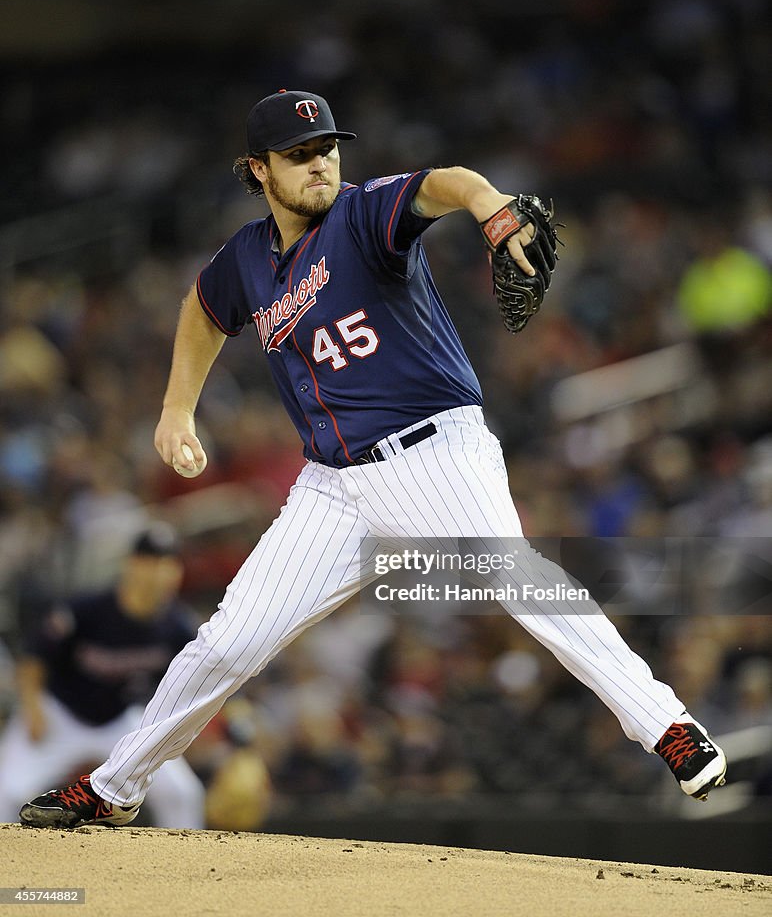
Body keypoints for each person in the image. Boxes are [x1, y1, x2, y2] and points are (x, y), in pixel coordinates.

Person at [20, 89, 726, 829]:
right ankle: (114, 787)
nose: (319, 163)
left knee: (520, 578)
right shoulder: (247, 261)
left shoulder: (362, 215)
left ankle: (668, 726)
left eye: (326, 147)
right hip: (332, 487)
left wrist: (487, 203)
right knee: (229, 641)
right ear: (258, 170)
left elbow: (436, 184)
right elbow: (203, 309)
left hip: (432, 453)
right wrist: (176, 408)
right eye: (298, 155)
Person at [5, 524, 205, 828]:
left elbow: (202, 685)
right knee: (8, 792)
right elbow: (34, 659)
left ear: (176, 572)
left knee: (183, 794)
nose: (156, 571)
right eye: (148, 560)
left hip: (121, 722)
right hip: (59, 715)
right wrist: (32, 707)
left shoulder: (178, 628)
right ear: (130, 565)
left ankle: (190, 872)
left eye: (166, 563)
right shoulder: (87, 609)